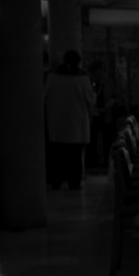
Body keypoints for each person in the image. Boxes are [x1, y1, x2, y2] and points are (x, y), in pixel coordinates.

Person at [44, 50, 96, 190]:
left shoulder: (52, 78)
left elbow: (44, 96)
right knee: (75, 158)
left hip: (56, 124)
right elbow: (90, 101)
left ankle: (56, 181)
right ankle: (74, 183)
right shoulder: (82, 80)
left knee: (57, 157)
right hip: (76, 124)